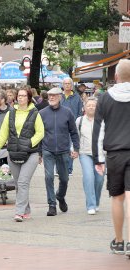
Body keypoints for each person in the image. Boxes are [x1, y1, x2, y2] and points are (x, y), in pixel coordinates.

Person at [92, 59, 130, 255]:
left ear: (116, 77)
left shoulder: (105, 98)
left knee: (117, 198)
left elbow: (99, 130)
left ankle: (120, 241)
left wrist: (98, 159)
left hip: (115, 154)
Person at [0, 88, 44, 222]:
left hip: (31, 153)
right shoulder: (10, 113)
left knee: (22, 182)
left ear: (28, 98)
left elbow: (40, 133)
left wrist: (29, 143)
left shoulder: (35, 113)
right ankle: (26, 210)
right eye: (19, 96)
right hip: (13, 152)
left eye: (23, 96)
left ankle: (19, 212)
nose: (20, 98)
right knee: (18, 184)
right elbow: (3, 134)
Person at [39, 87, 80, 216]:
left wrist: (76, 149)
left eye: (54, 96)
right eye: (50, 95)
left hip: (63, 151)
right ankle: (52, 204)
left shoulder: (67, 112)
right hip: (47, 150)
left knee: (64, 179)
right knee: (49, 177)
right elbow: (39, 134)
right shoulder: (42, 113)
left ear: (60, 97)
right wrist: (39, 152)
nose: (51, 98)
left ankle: (60, 196)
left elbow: (74, 132)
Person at [76, 97, 104, 215]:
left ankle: (96, 202)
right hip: (85, 153)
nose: (91, 107)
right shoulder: (79, 121)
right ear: (84, 108)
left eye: (94, 105)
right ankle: (90, 205)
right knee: (88, 177)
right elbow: (75, 137)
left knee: (99, 179)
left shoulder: (103, 121)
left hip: (100, 155)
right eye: (89, 105)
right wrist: (74, 149)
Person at [61, 77, 83, 176]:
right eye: (65, 84)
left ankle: (69, 169)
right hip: (60, 126)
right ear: (63, 85)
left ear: (72, 85)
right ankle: (59, 169)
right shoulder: (59, 96)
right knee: (60, 146)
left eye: (69, 84)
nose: (67, 85)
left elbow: (80, 112)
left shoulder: (77, 97)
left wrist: (77, 123)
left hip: (72, 126)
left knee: (70, 147)